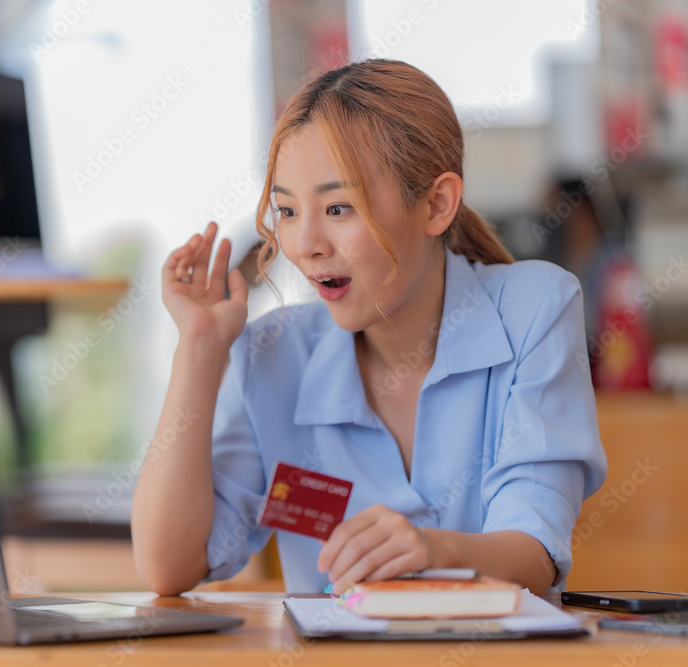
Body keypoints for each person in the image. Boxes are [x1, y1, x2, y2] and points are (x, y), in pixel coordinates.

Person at [131, 59, 607, 597]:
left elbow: (535, 551)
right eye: (286, 212)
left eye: (338, 207)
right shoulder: (272, 354)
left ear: (436, 204)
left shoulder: (533, 310)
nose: (306, 244)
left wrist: (433, 550)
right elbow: (170, 566)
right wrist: (198, 346)